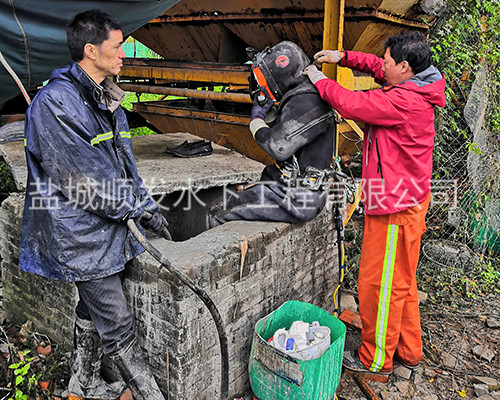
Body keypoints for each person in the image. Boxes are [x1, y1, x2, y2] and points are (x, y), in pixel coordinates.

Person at [19, 9, 168, 400]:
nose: (123, 54)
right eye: (117, 46)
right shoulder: (56, 104)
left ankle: (83, 383)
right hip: (79, 232)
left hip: (103, 227)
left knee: (91, 309)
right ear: (91, 50)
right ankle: (151, 395)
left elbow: (120, 163)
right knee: (118, 325)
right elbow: (85, 183)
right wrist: (136, 208)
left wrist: (144, 202)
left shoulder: (101, 93)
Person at [303, 32, 446, 378]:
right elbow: (379, 69)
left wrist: (320, 80)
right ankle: (409, 351)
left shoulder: (405, 102)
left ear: (405, 67)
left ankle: (375, 358)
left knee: (376, 286)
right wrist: (343, 56)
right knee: (402, 282)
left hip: (394, 206)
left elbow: (353, 105)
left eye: (387, 61)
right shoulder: (420, 82)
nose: (381, 66)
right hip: (410, 200)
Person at [209, 41, 337, 226]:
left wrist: (257, 120)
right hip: (290, 188)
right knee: (238, 196)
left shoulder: (307, 102)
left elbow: (278, 146)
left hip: (299, 198)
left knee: (218, 211)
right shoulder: (302, 96)